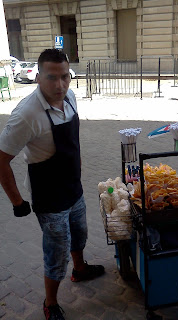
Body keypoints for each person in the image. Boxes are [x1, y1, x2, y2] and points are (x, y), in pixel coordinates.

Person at [0, 49, 104, 320]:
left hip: (73, 187)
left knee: (79, 235)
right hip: (48, 196)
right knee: (57, 252)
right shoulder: (26, 114)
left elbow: (73, 141)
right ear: (38, 77)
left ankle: (80, 270)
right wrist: (17, 202)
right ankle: (50, 303)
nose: (60, 85)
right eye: (51, 78)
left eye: (65, 77)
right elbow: (1, 160)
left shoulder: (70, 98)